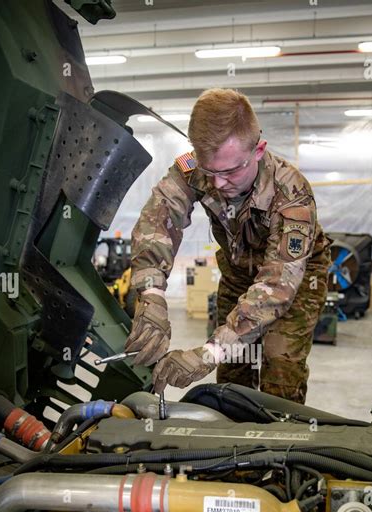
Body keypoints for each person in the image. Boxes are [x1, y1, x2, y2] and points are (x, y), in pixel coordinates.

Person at [125, 88, 331, 404]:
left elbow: (277, 285)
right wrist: (151, 296)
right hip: (238, 271)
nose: (219, 184)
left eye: (232, 171)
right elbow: (156, 224)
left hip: (295, 280)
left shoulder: (291, 193)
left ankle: (282, 443)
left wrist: (208, 352)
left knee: (280, 368)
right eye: (211, 171)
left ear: (258, 150)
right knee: (233, 374)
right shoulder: (192, 168)